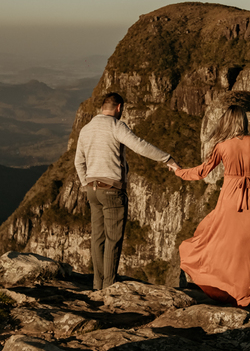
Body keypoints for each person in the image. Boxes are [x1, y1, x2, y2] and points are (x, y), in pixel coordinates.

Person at [168, 105, 250, 307]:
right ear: (244, 121)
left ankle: (223, 288)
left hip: (230, 198)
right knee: (248, 243)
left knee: (221, 241)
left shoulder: (222, 146)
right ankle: (243, 289)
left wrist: (179, 171)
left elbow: (202, 172)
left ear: (227, 122)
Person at [75, 92, 176, 290]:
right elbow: (139, 146)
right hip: (112, 190)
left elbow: (79, 161)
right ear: (119, 108)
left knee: (97, 238)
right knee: (113, 239)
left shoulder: (86, 129)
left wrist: (85, 184)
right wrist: (167, 159)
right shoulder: (115, 126)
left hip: (92, 189)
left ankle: (97, 285)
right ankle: (109, 286)